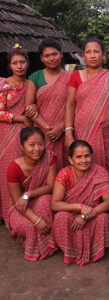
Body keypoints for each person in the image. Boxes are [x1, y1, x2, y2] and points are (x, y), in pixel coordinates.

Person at [65, 37, 109, 171]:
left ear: (104, 55)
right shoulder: (76, 76)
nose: (92, 55)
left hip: (108, 133)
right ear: (83, 56)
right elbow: (70, 105)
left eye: (96, 52)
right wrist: (68, 133)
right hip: (82, 133)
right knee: (82, 167)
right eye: (88, 52)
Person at [50, 140, 109, 266]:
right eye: (78, 157)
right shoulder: (64, 174)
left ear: (92, 156)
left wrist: (85, 215)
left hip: (93, 215)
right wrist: (79, 207)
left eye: (87, 156)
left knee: (104, 218)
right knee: (60, 217)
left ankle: (94, 251)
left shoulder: (99, 172)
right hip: (71, 215)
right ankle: (71, 252)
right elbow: (55, 204)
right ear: (70, 159)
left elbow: (108, 203)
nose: (84, 160)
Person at [6, 127, 56, 261]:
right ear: (22, 147)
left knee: (46, 199)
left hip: (37, 199)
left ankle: (47, 246)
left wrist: (28, 194)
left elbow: (50, 187)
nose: (37, 149)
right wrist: (36, 220)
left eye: (40, 144)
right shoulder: (13, 167)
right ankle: (34, 249)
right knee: (30, 227)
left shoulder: (49, 158)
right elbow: (18, 202)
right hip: (19, 208)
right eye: (31, 145)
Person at [25, 38, 70, 170]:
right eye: (47, 56)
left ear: (61, 54)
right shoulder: (35, 77)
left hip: (64, 131)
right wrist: (49, 129)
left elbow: (74, 106)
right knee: (42, 168)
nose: (51, 58)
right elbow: (29, 109)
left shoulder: (71, 77)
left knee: (64, 167)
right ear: (41, 58)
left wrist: (60, 127)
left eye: (54, 54)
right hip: (41, 133)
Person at [0, 45, 32, 224]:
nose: (19, 66)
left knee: (26, 173)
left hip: (29, 135)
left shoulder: (31, 84)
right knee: (8, 173)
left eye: (22, 62)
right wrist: (20, 118)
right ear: (9, 66)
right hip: (7, 135)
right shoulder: (4, 84)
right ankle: (8, 214)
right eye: (15, 63)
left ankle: (24, 211)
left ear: (27, 63)